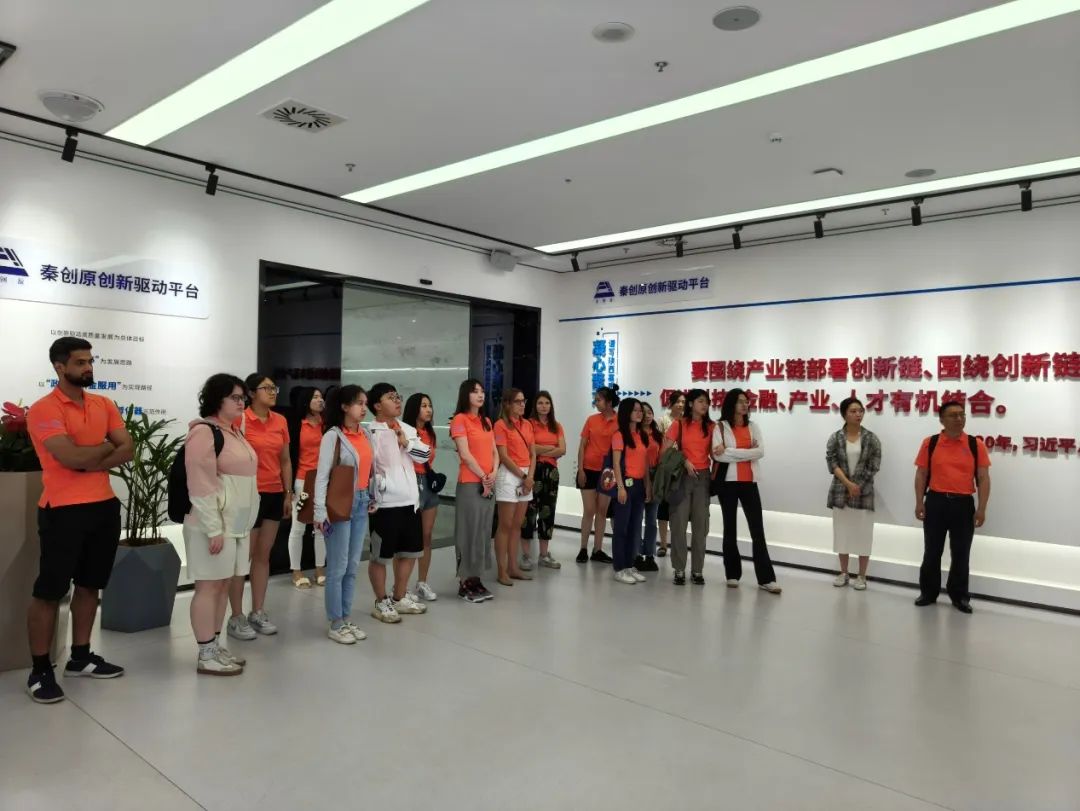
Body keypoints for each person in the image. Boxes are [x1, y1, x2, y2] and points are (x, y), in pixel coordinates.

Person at [24, 338, 133, 703]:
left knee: (90, 586)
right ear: (60, 367)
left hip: (103, 507)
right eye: (80, 362)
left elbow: (128, 448)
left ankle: (80, 657)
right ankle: (40, 670)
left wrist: (89, 459)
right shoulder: (44, 409)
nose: (88, 367)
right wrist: (103, 449)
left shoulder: (104, 403)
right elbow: (70, 457)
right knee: (49, 592)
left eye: (90, 361)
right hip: (62, 510)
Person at [183, 374, 259, 674]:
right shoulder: (204, 432)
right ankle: (206, 652)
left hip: (235, 525)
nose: (242, 403)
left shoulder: (234, 432)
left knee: (223, 584)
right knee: (209, 586)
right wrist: (213, 528)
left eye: (243, 398)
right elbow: (200, 483)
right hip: (212, 525)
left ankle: (214, 646)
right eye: (235, 397)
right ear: (217, 399)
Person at [226, 374, 291, 641]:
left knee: (263, 555)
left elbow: (285, 460)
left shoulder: (281, 421)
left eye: (274, 388)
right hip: (247, 494)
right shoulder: (240, 419)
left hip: (274, 493)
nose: (273, 392)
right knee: (243, 557)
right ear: (251, 393)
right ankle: (236, 616)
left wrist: (288, 493)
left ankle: (258, 611)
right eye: (267, 388)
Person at [913, 401, 991, 614]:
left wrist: (982, 508)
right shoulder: (931, 443)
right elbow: (921, 474)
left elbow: (983, 478)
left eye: (961, 415)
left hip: (963, 504)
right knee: (932, 551)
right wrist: (919, 502)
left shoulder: (975, 444)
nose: (959, 419)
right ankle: (928, 593)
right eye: (953, 415)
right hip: (936, 502)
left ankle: (959, 596)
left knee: (961, 553)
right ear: (942, 420)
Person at [314, 385, 375, 643]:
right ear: (344, 406)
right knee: (338, 567)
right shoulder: (333, 436)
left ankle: (346, 617)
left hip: (362, 501)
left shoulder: (366, 433)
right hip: (340, 505)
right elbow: (322, 476)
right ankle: (335, 622)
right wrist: (319, 511)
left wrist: (372, 495)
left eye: (365, 403)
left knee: (352, 566)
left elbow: (371, 469)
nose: (363, 408)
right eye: (359, 403)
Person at [366, 382, 431, 623]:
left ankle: (399, 596)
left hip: (410, 502)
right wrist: (377, 489)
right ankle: (381, 601)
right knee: (380, 557)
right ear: (377, 405)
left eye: (398, 396)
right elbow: (367, 467)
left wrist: (406, 442)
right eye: (390, 397)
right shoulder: (370, 432)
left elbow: (425, 455)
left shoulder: (407, 429)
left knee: (410, 552)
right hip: (385, 504)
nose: (397, 401)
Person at [713, 388, 781, 594]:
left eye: (746, 401)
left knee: (757, 530)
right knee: (730, 528)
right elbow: (718, 456)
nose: (745, 405)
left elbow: (760, 452)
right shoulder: (720, 426)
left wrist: (730, 451)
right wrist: (746, 452)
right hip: (728, 483)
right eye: (740, 401)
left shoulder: (753, 426)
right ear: (731, 404)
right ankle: (732, 574)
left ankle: (766, 578)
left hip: (749, 482)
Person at [826, 397, 882, 590]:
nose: (858, 414)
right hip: (841, 492)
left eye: (860, 410)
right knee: (842, 533)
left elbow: (874, 465)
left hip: (863, 493)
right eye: (853, 411)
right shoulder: (835, 437)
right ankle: (843, 573)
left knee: (863, 534)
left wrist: (857, 486)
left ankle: (862, 575)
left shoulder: (871, 438)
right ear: (844, 414)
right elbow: (832, 462)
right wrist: (849, 484)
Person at [450, 379, 498, 603]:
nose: (480, 395)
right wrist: (484, 476)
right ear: (465, 395)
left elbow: (495, 452)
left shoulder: (486, 421)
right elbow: (465, 454)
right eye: (475, 392)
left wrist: (493, 473)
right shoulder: (459, 420)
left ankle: (476, 578)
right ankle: (464, 582)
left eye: (482, 391)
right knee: (468, 531)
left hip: (488, 483)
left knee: (483, 531)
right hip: (470, 483)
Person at [662, 388, 713, 586]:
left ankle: (697, 570)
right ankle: (679, 569)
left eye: (706, 402)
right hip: (681, 478)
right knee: (678, 524)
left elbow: (715, 453)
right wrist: (683, 460)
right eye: (700, 401)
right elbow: (664, 451)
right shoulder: (679, 424)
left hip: (703, 478)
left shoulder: (711, 427)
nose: (705, 405)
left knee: (701, 526)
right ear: (691, 404)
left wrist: (720, 451)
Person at [493, 388, 536, 586]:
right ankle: (501, 570)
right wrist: (524, 477)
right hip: (510, 475)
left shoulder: (527, 424)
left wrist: (530, 477)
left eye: (523, 401)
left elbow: (533, 453)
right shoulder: (500, 425)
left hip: (526, 475)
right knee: (505, 525)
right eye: (517, 401)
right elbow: (503, 456)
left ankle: (513, 566)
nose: (522, 404)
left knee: (517, 524)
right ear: (508, 404)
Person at [609, 398, 652, 584]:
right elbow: (616, 464)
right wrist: (620, 487)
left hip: (639, 485)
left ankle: (629, 564)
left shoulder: (642, 435)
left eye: (640, 410)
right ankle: (619, 568)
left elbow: (645, 463)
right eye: (635, 410)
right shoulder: (619, 435)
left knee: (635, 528)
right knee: (621, 528)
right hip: (625, 484)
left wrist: (648, 485)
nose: (639, 413)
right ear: (627, 412)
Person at [287, 387, 326, 589]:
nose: (320, 400)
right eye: (315, 397)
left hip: (324, 481)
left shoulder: (326, 424)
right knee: (299, 526)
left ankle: (320, 569)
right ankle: (296, 571)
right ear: (305, 400)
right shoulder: (297, 424)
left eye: (321, 397)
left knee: (321, 526)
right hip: (303, 481)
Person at [575, 386, 619, 564]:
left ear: (609, 402)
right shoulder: (591, 420)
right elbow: (582, 446)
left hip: (608, 472)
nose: (596, 403)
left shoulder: (619, 422)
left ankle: (597, 549)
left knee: (602, 511)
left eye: (599, 400)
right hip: (588, 469)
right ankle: (583, 548)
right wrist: (580, 469)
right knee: (589, 510)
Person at [522, 390, 565, 570]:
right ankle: (525, 555)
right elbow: (529, 448)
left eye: (547, 403)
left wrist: (541, 448)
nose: (544, 406)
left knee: (548, 512)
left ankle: (544, 555)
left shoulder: (557, 426)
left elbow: (562, 450)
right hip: (533, 470)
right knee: (529, 512)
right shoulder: (528, 424)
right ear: (535, 405)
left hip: (551, 473)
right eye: (540, 403)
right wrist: (550, 448)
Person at [403, 392, 439, 602]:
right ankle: (402, 585)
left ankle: (422, 582)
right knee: (410, 537)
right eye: (424, 406)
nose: (428, 409)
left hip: (428, 483)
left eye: (430, 405)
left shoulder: (430, 433)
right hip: (411, 481)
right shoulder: (407, 432)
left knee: (426, 536)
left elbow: (429, 459)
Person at [655, 390, 685, 557]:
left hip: (683, 468)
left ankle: (677, 543)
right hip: (667, 468)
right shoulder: (663, 421)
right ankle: (663, 544)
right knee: (663, 506)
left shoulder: (687, 421)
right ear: (671, 403)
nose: (681, 405)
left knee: (679, 507)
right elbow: (658, 444)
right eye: (678, 401)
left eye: (683, 402)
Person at [634, 401, 663, 573]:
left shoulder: (659, 435)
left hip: (655, 476)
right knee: (637, 518)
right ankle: (637, 554)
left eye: (650, 412)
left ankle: (650, 554)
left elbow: (662, 458)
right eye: (644, 413)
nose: (647, 416)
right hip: (638, 477)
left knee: (652, 520)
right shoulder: (635, 434)